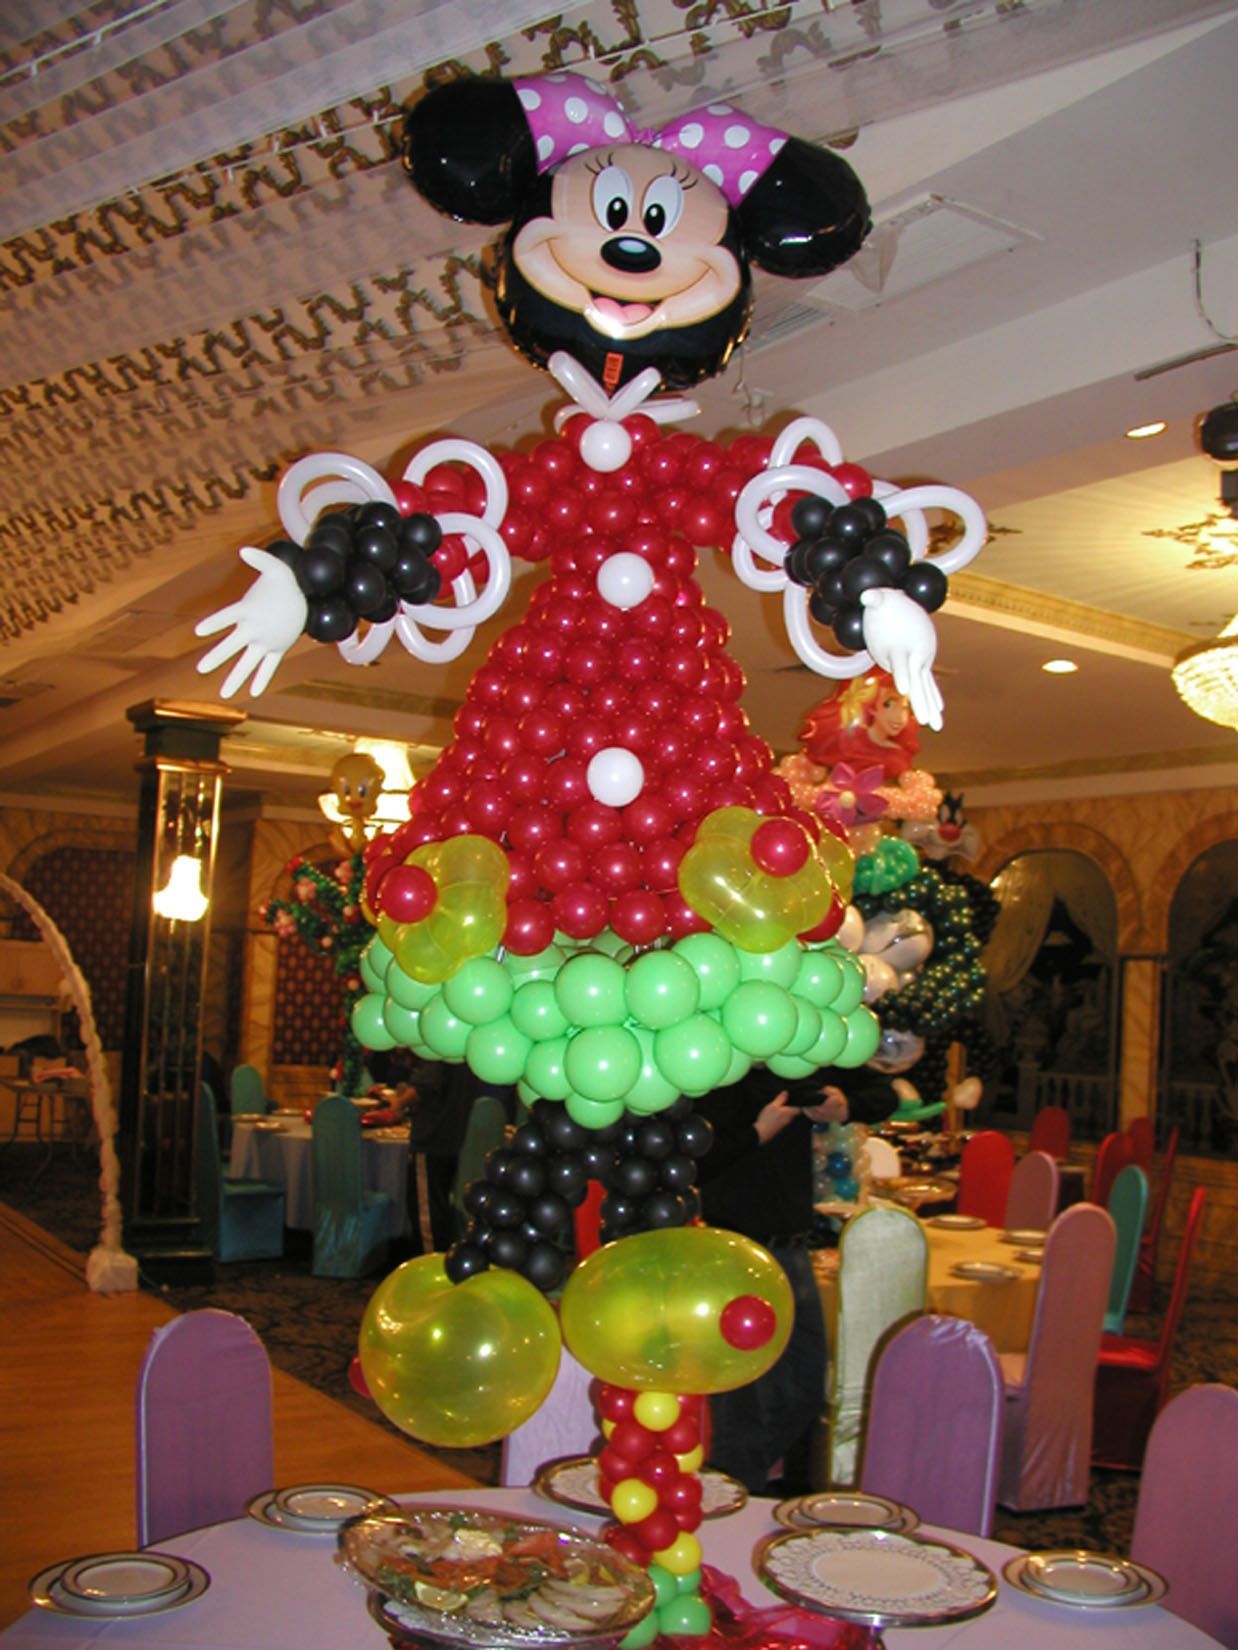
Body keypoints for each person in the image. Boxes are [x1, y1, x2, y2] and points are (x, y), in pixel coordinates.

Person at [694, 1061, 898, 1494]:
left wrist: (845, 1105)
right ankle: (735, 1497)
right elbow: (690, 1163)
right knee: (741, 1403)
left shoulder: (798, 1051)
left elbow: (887, 1092)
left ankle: (737, 1486)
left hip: (791, 1248)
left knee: (804, 1387)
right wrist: (757, 1133)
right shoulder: (713, 1062)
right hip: (731, 1250)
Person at [799, 669, 920, 781]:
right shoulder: (844, 745)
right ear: (872, 706)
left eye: (904, 708)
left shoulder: (899, 755)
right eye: (888, 705)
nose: (899, 716)